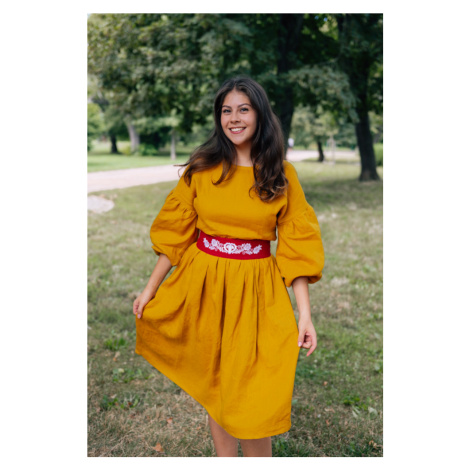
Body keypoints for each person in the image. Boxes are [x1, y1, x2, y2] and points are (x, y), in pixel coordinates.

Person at [133, 76, 324, 457]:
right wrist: (150, 289)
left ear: (260, 114)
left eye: (243, 109)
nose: (234, 118)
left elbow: (296, 246)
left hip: (256, 290)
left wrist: (304, 314)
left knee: (252, 390)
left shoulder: (281, 174)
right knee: (217, 384)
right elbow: (175, 233)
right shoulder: (202, 169)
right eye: (226, 111)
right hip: (204, 286)